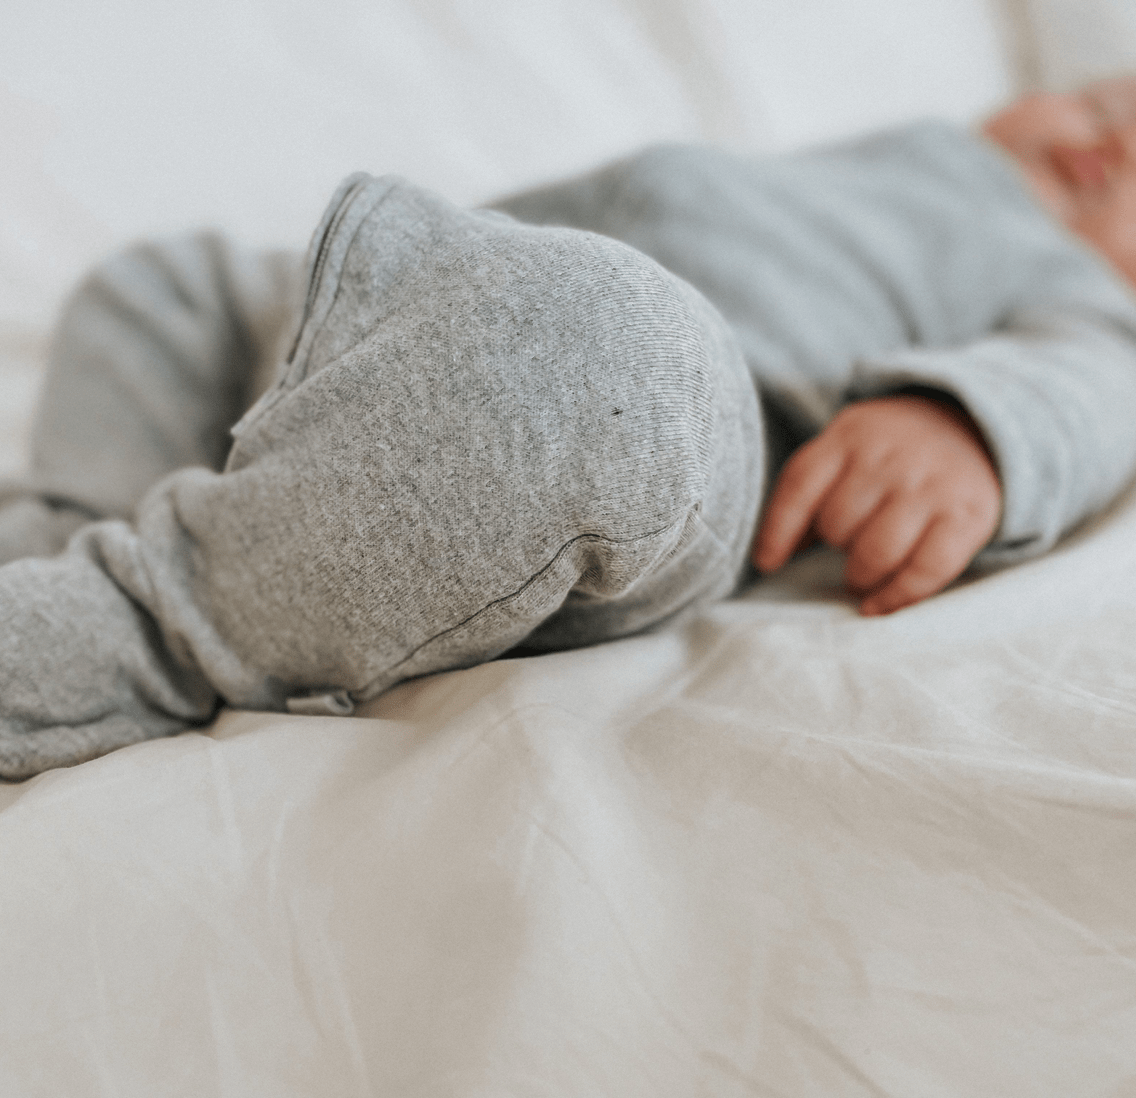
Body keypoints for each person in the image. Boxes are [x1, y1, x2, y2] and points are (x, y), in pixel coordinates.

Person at [2, 78, 1136, 779]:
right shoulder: (889, 156)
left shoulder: (1074, 285)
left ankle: (149, 629)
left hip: (665, 427)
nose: (1116, 138)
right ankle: (62, 532)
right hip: (365, 324)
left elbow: (1096, 382)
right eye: (1102, 102)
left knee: (601, 343)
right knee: (167, 283)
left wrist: (968, 427)